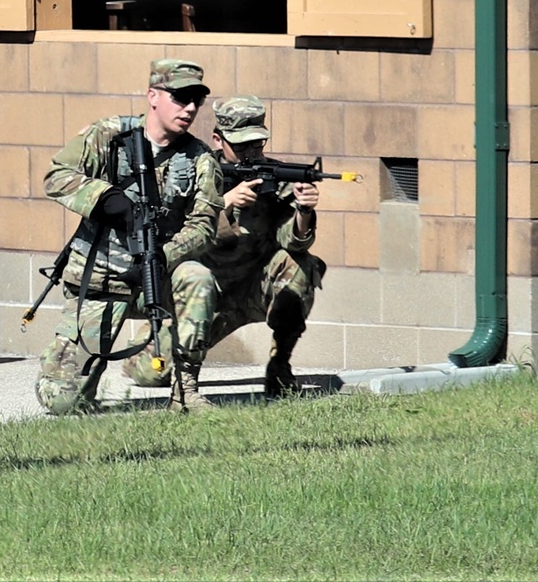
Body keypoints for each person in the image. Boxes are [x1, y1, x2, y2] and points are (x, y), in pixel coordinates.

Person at [35, 59, 223, 416]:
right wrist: (105, 198)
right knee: (62, 401)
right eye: (180, 98)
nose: (190, 109)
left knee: (198, 278)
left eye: (196, 101)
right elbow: (55, 177)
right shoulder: (108, 136)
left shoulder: (200, 158)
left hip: (159, 276)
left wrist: (161, 257)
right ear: (153, 95)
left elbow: (203, 226)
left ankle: (186, 392)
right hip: (104, 279)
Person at [123, 95, 326, 398]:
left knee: (302, 265)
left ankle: (279, 366)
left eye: (257, 144)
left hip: (250, 289)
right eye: (241, 146)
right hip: (201, 294)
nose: (251, 153)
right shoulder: (194, 174)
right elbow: (177, 238)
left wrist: (304, 210)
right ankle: (155, 337)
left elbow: (293, 244)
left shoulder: (274, 178)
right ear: (218, 139)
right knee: (150, 374)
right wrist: (224, 205)